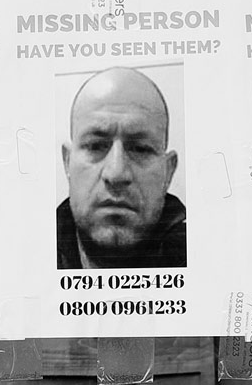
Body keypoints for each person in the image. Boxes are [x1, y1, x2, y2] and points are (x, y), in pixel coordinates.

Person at [58, 66, 185, 269]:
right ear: (67, 163)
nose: (116, 173)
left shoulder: (211, 264)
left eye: (140, 149)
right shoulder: (25, 263)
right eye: (95, 146)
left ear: (168, 172)